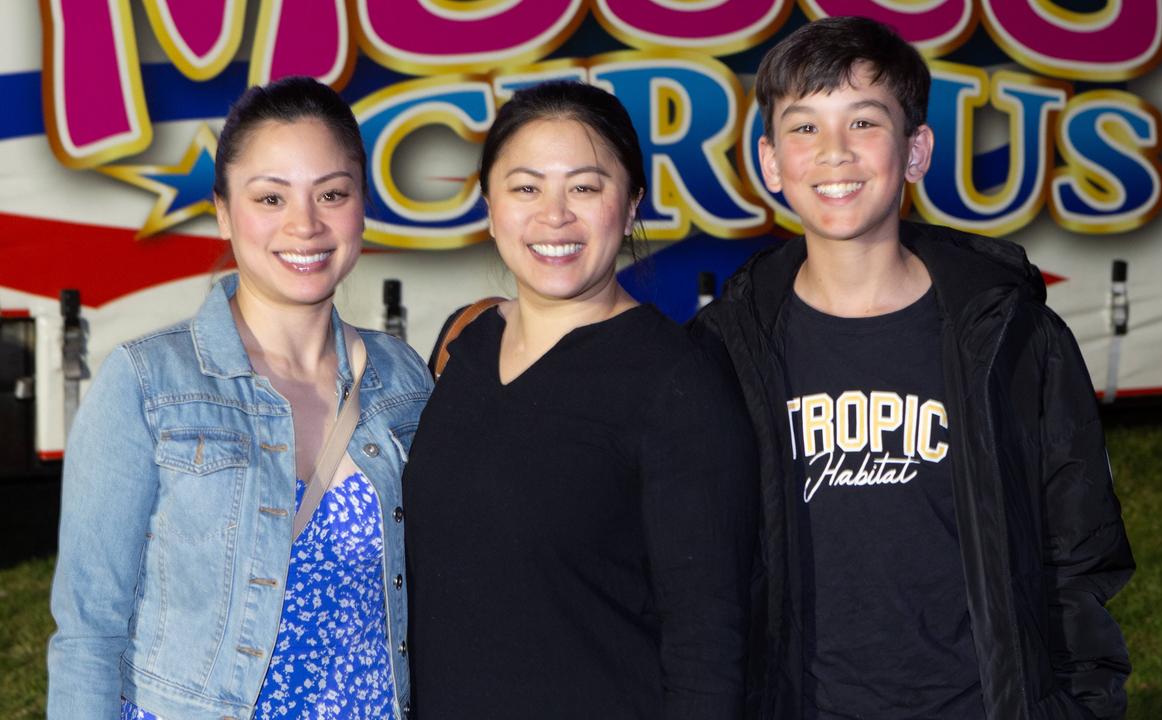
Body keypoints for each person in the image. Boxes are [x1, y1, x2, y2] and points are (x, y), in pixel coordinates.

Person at [690, 16, 1135, 720]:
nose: (835, 153)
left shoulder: (1013, 339)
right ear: (770, 163)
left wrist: (1081, 706)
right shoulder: (723, 354)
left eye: (864, 121)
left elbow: (1078, 555)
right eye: (804, 128)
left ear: (917, 150)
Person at [47, 77, 430, 719]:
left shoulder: (403, 380)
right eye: (271, 197)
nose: (304, 225)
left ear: (361, 205)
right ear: (224, 212)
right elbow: (89, 630)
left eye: (331, 194)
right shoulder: (147, 383)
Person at [401, 81, 757, 719]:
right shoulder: (465, 345)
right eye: (527, 187)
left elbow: (709, 644)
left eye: (585, 187)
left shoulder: (677, 381)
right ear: (490, 206)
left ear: (630, 205)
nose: (554, 215)